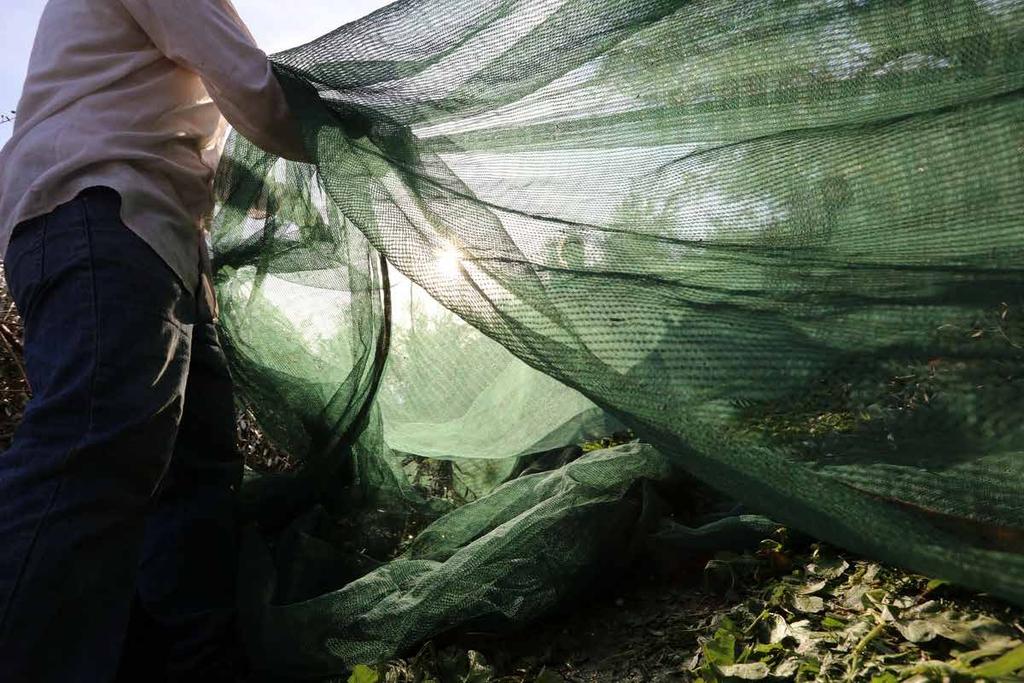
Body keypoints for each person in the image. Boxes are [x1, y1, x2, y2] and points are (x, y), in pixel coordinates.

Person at [0, 0, 308, 680]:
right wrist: (341, 138)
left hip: (149, 237)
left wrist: (278, 196)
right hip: (100, 209)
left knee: (198, 470)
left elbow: (211, 142)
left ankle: (197, 663)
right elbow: (252, 86)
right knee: (88, 454)